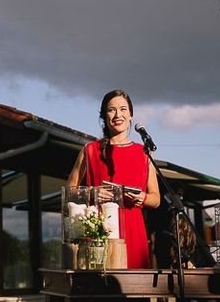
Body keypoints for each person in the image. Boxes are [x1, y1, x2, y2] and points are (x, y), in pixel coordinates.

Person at [68, 89, 161, 269]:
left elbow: (156, 199)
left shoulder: (144, 153)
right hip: (99, 231)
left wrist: (142, 197)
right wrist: (92, 193)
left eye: (123, 109)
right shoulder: (89, 150)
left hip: (134, 231)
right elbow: (69, 192)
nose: (118, 114)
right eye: (112, 110)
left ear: (131, 115)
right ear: (104, 116)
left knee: (134, 289)